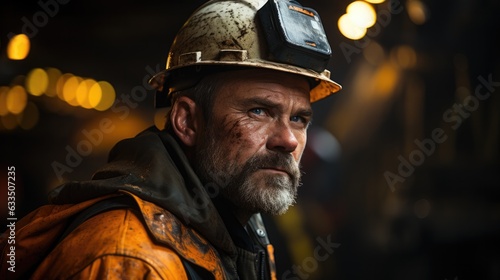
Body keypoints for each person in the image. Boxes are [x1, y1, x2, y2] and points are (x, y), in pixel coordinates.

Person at [0, 0, 341, 279]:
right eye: (258, 111)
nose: (289, 140)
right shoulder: (128, 259)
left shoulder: (240, 230)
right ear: (187, 120)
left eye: (299, 118)